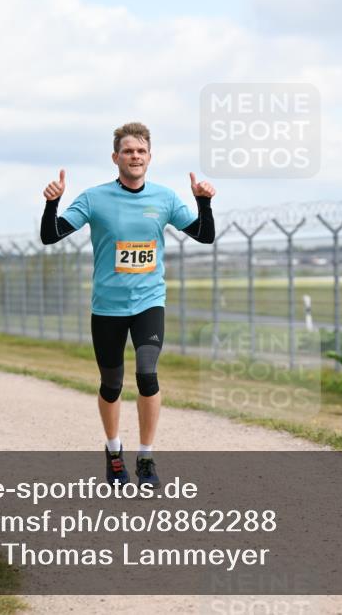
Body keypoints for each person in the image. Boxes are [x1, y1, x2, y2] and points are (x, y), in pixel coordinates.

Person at [40, 122, 216, 488]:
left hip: (149, 302)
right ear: (115, 157)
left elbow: (204, 235)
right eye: (128, 151)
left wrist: (204, 202)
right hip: (107, 307)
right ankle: (113, 450)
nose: (135, 156)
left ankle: (147, 456)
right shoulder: (94, 198)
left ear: (149, 157)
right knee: (111, 385)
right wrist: (52, 202)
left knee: (147, 375)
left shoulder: (164, 198)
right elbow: (50, 235)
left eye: (141, 151)